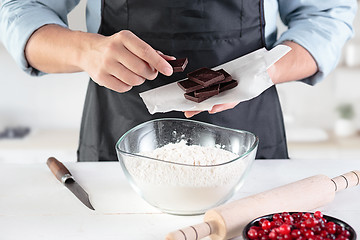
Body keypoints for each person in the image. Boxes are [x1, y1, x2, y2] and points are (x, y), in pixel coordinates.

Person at [0, 0, 357, 161]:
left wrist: (266, 71)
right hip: (120, 134)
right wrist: (83, 50)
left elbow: (326, 17)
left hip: (246, 134)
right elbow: (18, 10)